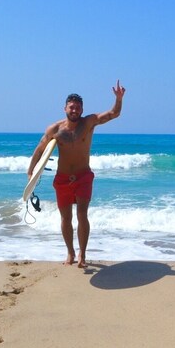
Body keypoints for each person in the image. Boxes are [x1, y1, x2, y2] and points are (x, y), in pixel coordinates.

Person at [28, 81, 125, 268]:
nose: (75, 111)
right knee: (65, 218)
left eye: (78, 108)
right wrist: (31, 170)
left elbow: (114, 114)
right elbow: (40, 149)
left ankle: (82, 253)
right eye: (71, 107)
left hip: (83, 177)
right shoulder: (54, 130)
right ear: (65, 108)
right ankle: (70, 253)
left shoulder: (88, 123)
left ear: (82, 110)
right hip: (62, 178)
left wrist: (118, 99)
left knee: (82, 214)